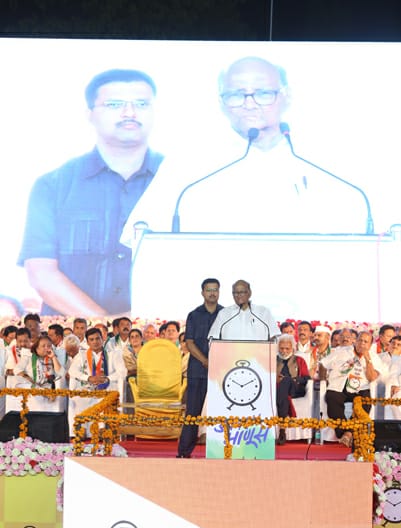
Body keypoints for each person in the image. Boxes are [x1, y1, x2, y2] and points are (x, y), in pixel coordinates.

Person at [120, 56, 368, 238]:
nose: (250, 104)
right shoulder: (190, 163)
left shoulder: (323, 160)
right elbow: (143, 235)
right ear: (221, 103)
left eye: (263, 93)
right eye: (237, 95)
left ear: (286, 96)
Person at [18, 68, 164, 316]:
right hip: (69, 335)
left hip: (162, 335)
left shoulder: (183, 183)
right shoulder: (53, 185)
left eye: (141, 104)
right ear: (90, 114)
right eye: (115, 104)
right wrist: (109, 328)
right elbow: (42, 274)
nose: (130, 113)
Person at [177, 278, 223, 458]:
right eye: (209, 290)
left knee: (223, 412)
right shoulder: (194, 315)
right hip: (197, 371)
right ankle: (183, 452)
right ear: (202, 292)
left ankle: (223, 451)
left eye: (215, 290)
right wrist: (205, 361)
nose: (212, 293)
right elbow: (189, 342)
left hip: (221, 371)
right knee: (192, 413)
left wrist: (217, 362)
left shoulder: (226, 314)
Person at [320, 331, 383, 447]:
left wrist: (368, 360)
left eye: (365, 342)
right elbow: (323, 364)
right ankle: (347, 433)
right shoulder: (341, 351)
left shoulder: (374, 357)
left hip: (360, 388)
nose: (362, 344)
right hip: (339, 386)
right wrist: (323, 380)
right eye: (360, 340)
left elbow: (372, 378)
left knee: (365, 403)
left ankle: (347, 433)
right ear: (355, 340)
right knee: (332, 398)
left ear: (370, 345)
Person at [208, 279, 279, 341]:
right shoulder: (223, 313)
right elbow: (213, 338)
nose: (238, 295)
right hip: (230, 352)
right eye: (235, 293)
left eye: (242, 292)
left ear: (249, 293)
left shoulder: (263, 312)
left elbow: (275, 336)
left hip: (259, 352)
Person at [276, 334, 310, 445]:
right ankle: (282, 430)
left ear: (292, 348)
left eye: (287, 348)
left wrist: (293, 379)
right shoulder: (273, 360)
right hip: (278, 390)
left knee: (286, 381)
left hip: (296, 388)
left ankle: (282, 426)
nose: (284, 351)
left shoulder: (299, 360)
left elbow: (306, 378)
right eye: (281, 348)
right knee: (283, 392)